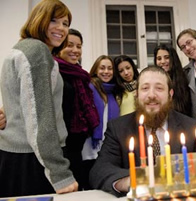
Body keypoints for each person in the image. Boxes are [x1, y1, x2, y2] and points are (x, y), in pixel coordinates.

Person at [0, 0, 78, 197]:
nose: (61, 28)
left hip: (17, 156)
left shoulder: (21, 49)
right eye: (54, 21)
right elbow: (40, 116)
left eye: (65, 23)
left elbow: (22, 102)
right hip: (32, 160)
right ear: (39, 20)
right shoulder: (37, 51)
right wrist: (60, 174)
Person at [89, 66, 196, 197]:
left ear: (170, 94)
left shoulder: (191, 128)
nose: (151, 95)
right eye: (145, 88)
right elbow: (100, 170)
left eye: (159, 88)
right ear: (136, 93)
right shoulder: (119, 128)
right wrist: (130, 181)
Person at [54, 28, 100, 190]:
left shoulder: (81, 75)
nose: (75, 50)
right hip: (59, 146)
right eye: (69, 45)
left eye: (79, 46)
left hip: (76, 144)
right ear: (59, 47)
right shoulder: (53, 71)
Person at [81, 55, 120, 189]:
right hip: (90, 145)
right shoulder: (89, 87)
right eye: (102, 68)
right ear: (96, 70)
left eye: (110, 68)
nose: (106, 71)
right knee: (88, 184)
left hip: (106, 145)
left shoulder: (113, 92)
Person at [154, 44, 191, 116]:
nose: (162, 61)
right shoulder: (153, 80)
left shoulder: (185, 77)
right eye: (159, 59)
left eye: (167, 57)